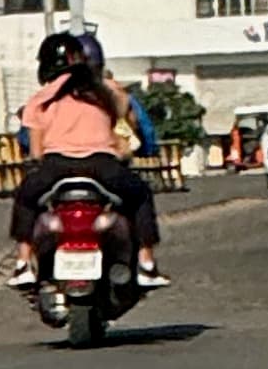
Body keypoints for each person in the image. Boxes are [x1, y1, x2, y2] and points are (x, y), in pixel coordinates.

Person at [9, 26, 165, 289]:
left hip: (55, 167)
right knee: (140, 194)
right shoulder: (104, 92)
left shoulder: (39, 100)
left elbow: (36, 152)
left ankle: (23, 262)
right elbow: (124, 131)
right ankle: (146, 263)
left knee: (25, 197)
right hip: (103, 167)